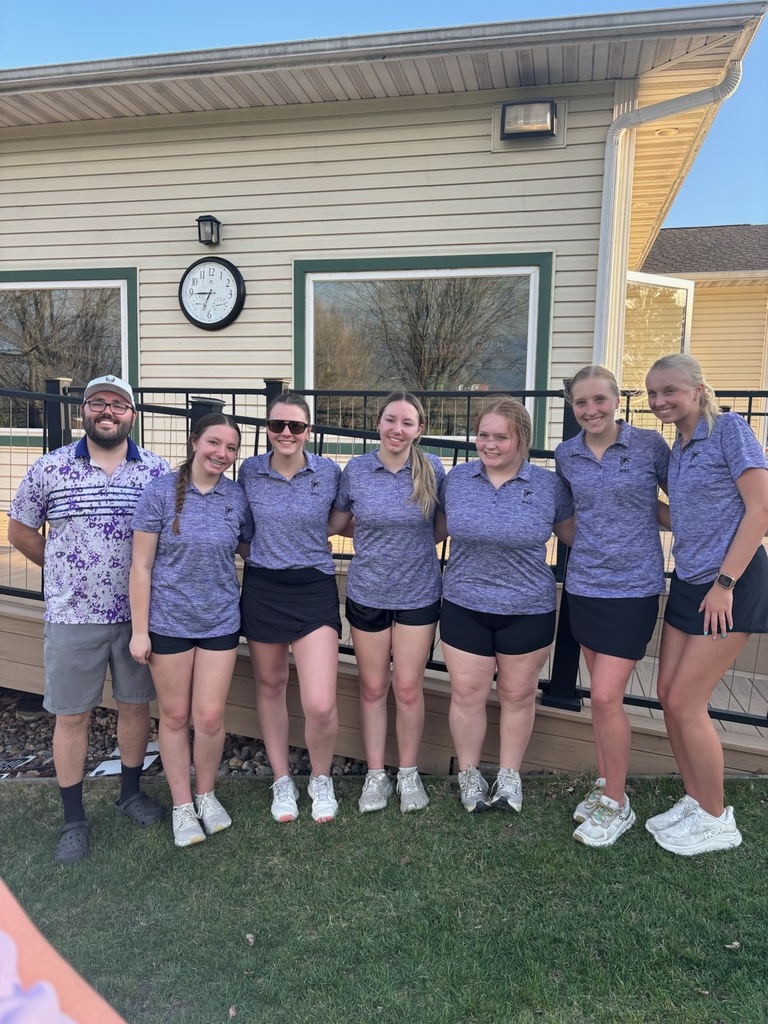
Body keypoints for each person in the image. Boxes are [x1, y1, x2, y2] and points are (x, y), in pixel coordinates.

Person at [7, 375, 169, 866]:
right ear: (84, 410)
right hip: (72, 615)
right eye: (98, 402)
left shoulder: (156, 472)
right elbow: (20, 530)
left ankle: (130, 792)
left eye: (118, 405)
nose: (107, 411)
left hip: (138, 616)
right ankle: (73, 817)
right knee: (72, 715)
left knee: (136, 706)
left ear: (132, 416)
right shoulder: (51, 467)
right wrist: (61, 568)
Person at [643, 354, 768, 855]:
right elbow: (688, 515)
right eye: (652, 394)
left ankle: (718, 819)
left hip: (730, 584)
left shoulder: (729, 429)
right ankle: (696, 800)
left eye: (669, 391)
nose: (659, 402)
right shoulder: (680, 446)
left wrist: (725, 582)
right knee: (668, 696)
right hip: (690, 581)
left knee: (687, 701)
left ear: (697, 388)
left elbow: (760, 509)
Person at [437, 397, 574, 812]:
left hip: (527, 608)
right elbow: (432, 531)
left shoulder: (549, 486)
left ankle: (509, 777)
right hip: (464, 603)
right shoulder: (457, 479)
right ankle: (469, 774)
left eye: (501, 436)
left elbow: (577, 537)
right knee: (466, 693)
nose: (489, 444)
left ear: (522, 439)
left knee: (518, 695)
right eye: (483, 435)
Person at [555, 365, 670, 847]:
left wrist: (665, 526)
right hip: (585, 587)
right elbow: (564, 518)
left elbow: (676, 501)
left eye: (599, 400)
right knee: (602, 701)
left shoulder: (649, 447)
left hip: (634, 588)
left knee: (604, 697)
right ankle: (607, 783)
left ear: (616, 399)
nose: (591, 410)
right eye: (581, 403)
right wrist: (595, 547)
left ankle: (617, 804)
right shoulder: (567, 454)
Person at [128, 414, 254, 848]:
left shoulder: (236, 497)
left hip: (220, 620)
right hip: (168, 623)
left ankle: (207, 794)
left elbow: (254, 546)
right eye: (214, 443)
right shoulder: (160, 492)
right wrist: (140, 632)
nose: (222, 453)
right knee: (177, 716)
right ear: (194, 441)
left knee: (211, 717)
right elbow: (141, 566)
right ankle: (183, 805)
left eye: (231, 448)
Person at [329, 391, 444, 814]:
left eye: (407, 422)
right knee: (374, 687)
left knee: (409, 687)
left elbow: (441, 525)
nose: (398, 429)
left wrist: (407, 546)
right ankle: (376, 774)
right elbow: (338, 522)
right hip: (368, 591)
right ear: (378, 423)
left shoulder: (433, 468)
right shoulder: (356, 470)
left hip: (417, 591)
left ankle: (408, 772)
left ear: (420, 429)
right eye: (391, 420)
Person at [238, 392, 342, 823]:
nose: (286, 433)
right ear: (267, 429)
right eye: (278, 425)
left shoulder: (330, 472)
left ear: (308, 431)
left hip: (314, 586)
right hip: (264, 586)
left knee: (319, 702)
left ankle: (321, 779)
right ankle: (281, 780)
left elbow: (339, 520)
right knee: (271, 685)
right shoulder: (249, 471)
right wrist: (264, 552)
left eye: (295, 426)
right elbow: (242, 529)